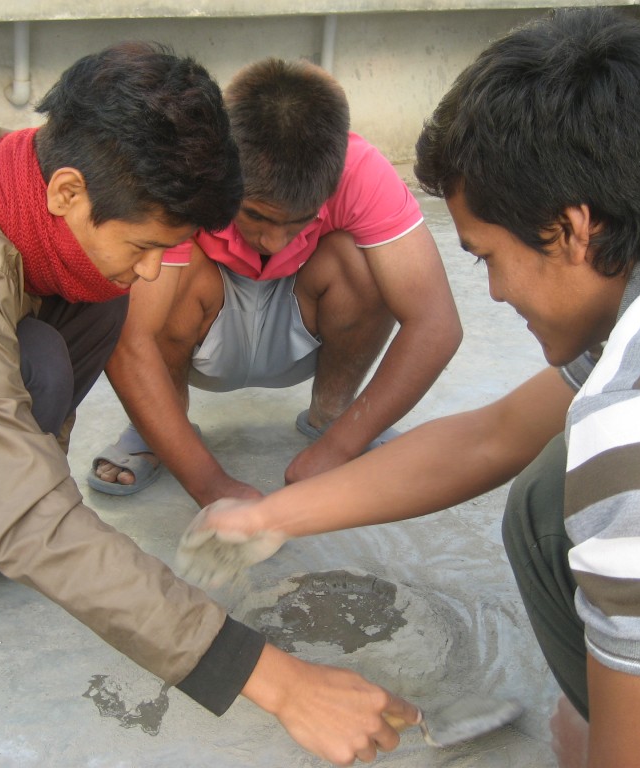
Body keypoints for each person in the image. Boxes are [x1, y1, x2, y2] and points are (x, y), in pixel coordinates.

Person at [0, 42, 420, 765]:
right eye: (143, 245)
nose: (148, 270)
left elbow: (31, 445)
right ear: (69, 191)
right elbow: (33, 520)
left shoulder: (22, 177)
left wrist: (15, 490)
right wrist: (280, 682)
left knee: (77, 320)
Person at [178, 9, 640, 767]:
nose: (492, 293)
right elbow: (493, 434)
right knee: (547, 493)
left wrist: (600, 746)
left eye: (487, 255)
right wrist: (268, 517)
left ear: (572, 230)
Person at [88, 57, 462, 507]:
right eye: (256, 215)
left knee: (364, 263)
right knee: (158, 266)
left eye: (299, 222)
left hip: (301, 310)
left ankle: (334, 416)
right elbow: (130, 342)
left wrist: (336, 450)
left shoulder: (361, 169)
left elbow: (436, 324)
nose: (273, 240)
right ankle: (159, 430)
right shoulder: (190, 167)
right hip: (205, 318)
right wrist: (211, 486)